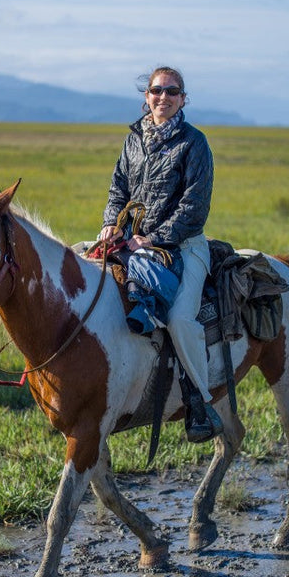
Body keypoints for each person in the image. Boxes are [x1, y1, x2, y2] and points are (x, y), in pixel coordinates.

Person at [98, 66, 223, 443]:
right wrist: (110, 224)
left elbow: (194, 208)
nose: (163, 98)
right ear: (146, 96)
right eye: (157, 91)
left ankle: (200, 404)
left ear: (183, 99)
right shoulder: (133, 138)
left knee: (181, 319)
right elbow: (118, 188)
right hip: (134, 242)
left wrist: (152, 238)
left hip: (184, 246)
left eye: (172, 92)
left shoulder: (194, 143)